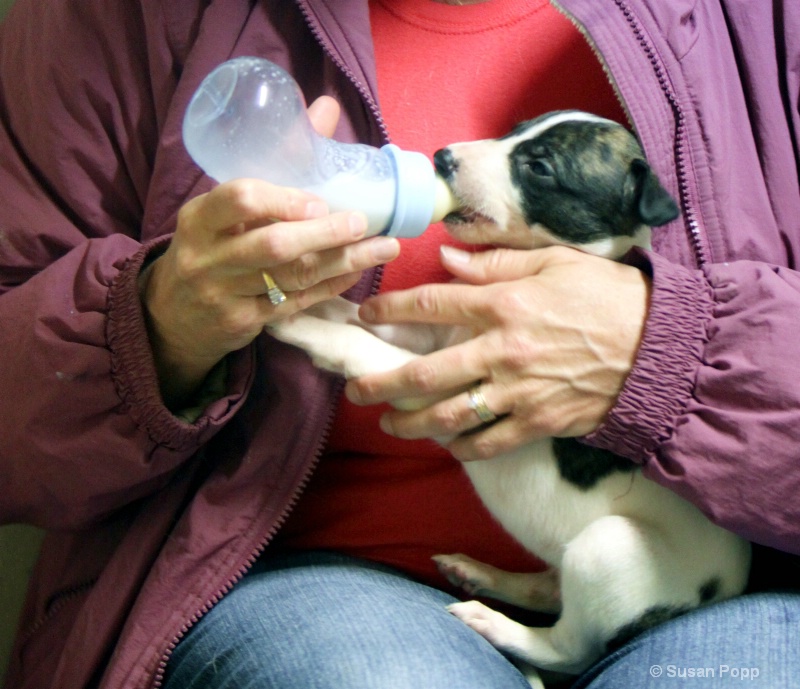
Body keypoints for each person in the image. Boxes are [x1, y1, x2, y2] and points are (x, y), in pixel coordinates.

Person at [0, 0, 798, 688]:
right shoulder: (117, 18)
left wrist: (669, 353)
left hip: (727, 583)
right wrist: (164, 319)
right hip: (313, 582)